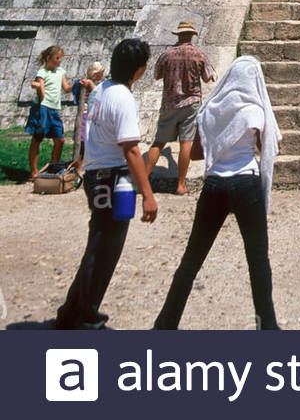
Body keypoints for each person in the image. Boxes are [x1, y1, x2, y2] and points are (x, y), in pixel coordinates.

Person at [154, 56, 281, 330]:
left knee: (191, 259)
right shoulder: (255, 110)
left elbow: (199, 153)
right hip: (246, 184)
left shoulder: (210, 109)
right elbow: (264, 148)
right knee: (258, 260)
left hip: (214, 186)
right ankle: (267, 326)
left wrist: (220, 143)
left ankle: (166, 323)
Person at [55, 37, 158, 329]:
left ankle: (71, 313)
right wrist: (148, 194)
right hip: (113, 179)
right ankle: (84, 318)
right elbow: (132, 149)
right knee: (104, 251)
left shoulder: (101, 90)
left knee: (97, 247)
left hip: (96, 175)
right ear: (140, 69)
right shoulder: (123, 97)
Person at [144, 21, 216, 195]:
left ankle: (143, 182)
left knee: (159, 142)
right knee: (186, 142)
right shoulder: (199, 55)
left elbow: (156, 75)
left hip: (169, 102)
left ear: (178, 35)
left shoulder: (167, 54)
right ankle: (181, 184)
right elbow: (207, 78)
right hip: (191, 103)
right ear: (192, 35)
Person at [26, 45, 71, 181]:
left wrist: (76, 85)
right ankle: (33, 172)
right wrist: (39, 88)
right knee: (37, 138)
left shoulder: (61, 71)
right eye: (57, 58)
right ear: (48, 58)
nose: (59, 61)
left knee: (60, 140)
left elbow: (66, 88)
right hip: (42, 107)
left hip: (54, 109)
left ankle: (52, 169)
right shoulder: (42, 73)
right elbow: (42, 96)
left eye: (60, 58)